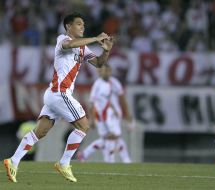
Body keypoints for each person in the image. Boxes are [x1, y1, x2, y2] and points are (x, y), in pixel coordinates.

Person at [4, 12, 114, 183]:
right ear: (68, 26)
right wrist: (95, 38)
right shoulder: (62, 39)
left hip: (54, 95)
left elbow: (99, 64)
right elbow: (69, 45)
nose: (82, 27)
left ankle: (13, 161)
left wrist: (106, 51)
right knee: (84, 126)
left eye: (83, 24)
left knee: (40, 132)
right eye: (78, 24)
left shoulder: (83, 48)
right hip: (60, 93)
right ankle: (64, 163)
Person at [77, 64, 134, 163]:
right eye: (104, 71)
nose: (106, 73)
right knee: (108, 137)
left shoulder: (115, 83)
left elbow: (122, 99)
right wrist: (92, 119)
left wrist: (127, 114)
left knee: (112, 136)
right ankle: (86, 155)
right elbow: (91, 103)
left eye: (108, 71)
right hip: (100, 116)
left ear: (111, 71)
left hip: (112, 114)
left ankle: (117, 161)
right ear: (100, 72)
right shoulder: (97, 85)